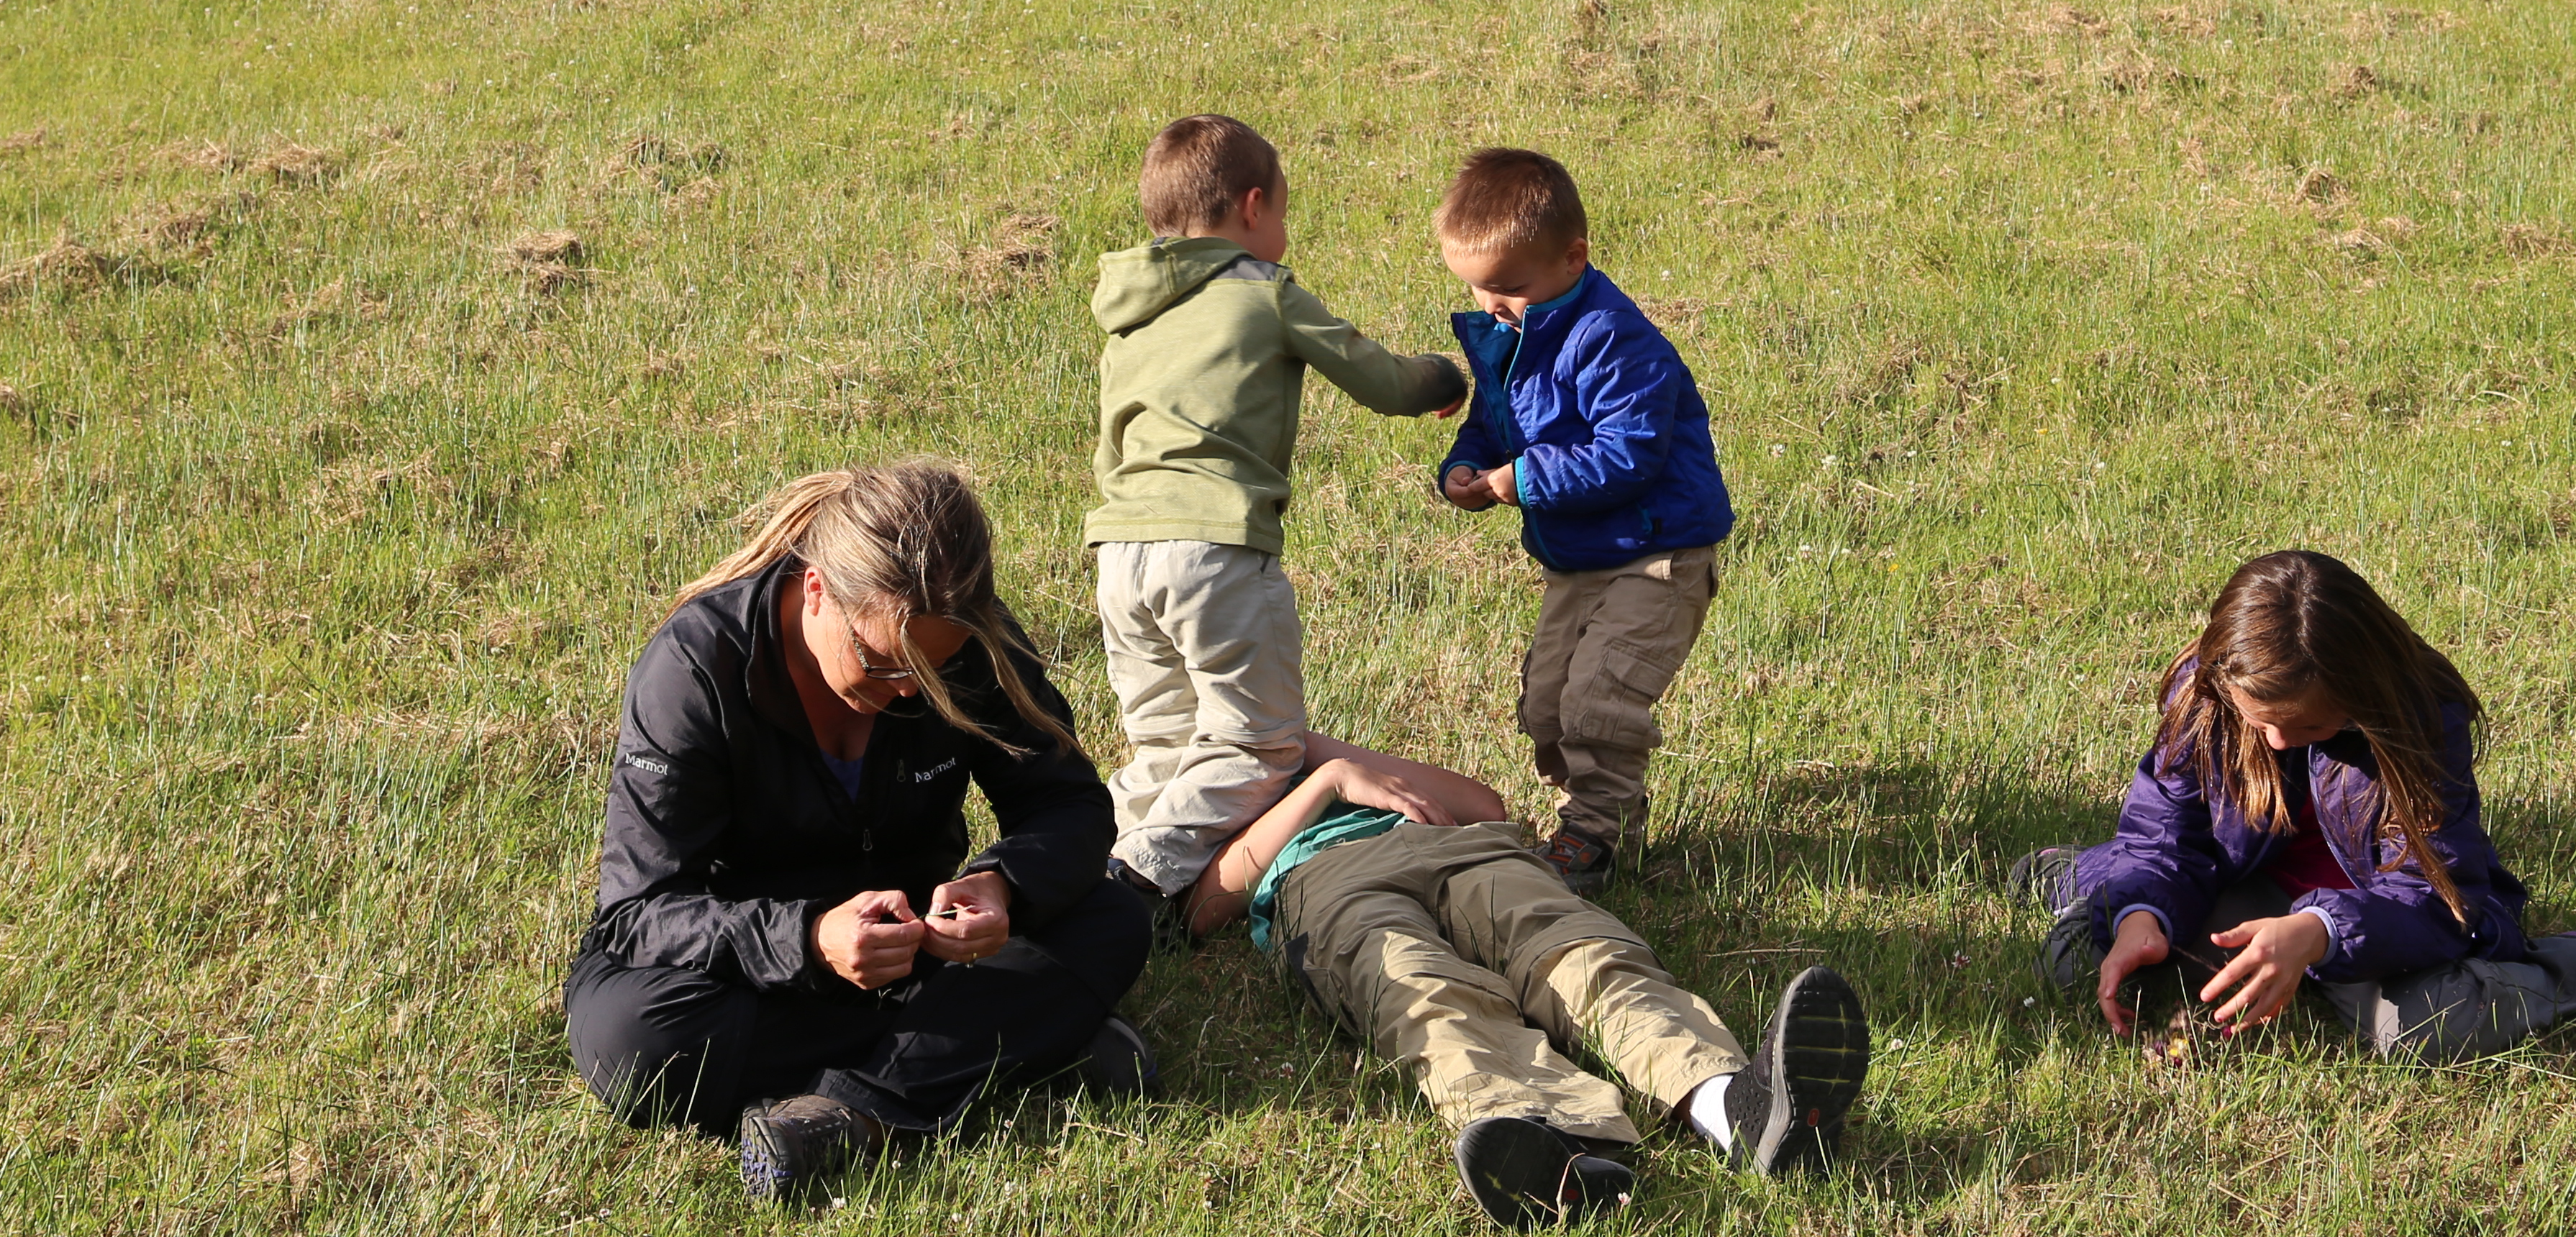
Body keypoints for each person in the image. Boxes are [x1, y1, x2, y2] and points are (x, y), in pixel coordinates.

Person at [569, 461, 1153, 1202]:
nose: (908, 690)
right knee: (631, 1041)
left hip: (915, 943)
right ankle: (1016, 1044)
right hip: (748, 973)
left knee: (1114, 918)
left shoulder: (972, 640)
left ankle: (849, 1116)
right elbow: (637, 912)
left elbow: (1068, 804)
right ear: (816, 591)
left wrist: (1003, 885)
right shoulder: (697, 668)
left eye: (932, 669)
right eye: (880, 663)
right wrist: (809, 938)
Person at [2021, 548, 2576, 1063]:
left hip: (2374, 915)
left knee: (2421, 1026)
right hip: (2250, 896)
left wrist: (2320, 932)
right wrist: (2145, 915)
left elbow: (2438, 896)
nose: (2280, 741)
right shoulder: (2206, 698)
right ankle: (2090, 880)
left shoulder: (2422, 719)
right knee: (2082, 961)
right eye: (2261, 723)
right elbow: (2166, 834)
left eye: (2311, 729)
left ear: (2362, 691)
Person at [1189, 737, 1867, 1228]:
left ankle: (1737, 1109)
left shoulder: (1328, 753)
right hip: (1326, 884)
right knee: (1423, 993)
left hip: (1464, 847)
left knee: (1577, 953)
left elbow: (1484, 804)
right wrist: (1324, 782)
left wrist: (1309, 746)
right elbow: (1202, 905)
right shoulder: (1202, 787)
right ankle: (1560, 1156)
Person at [1087, 113, 1468, 918]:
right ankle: (1141, 884)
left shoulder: (1129, 320)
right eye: (1284, 216)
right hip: (1214, 548)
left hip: (1120, 551)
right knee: (1260, 743)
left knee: (1165, 739)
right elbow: (1385, 383)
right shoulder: (1264, 291)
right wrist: (1446, 380)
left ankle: (1093, 857)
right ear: (1253, 207)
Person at [1430, 148, 1732, 891]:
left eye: (1508, 288)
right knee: (1546, 705)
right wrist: (1467, 469)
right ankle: (1597, 809)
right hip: (1578, 557)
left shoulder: (1616, 340)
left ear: (1573, 258)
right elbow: (1495, 424)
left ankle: (1598, 833)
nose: (1492, 304)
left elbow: (1628, 453)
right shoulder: (1514, 335)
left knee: (1599, 698)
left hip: (1658, 553)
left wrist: (1523, 480)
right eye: (1475, 287)